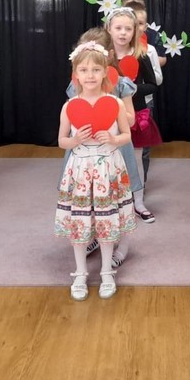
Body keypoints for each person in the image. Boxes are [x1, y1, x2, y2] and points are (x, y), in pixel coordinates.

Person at [54, 41, 136, 300]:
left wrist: (112, 139)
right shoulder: (70, 106)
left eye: (96, 70)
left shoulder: (115, 103)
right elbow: (61, 141)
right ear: (76, 75)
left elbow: (126, 135)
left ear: (105, 73)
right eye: (84, 70)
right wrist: (76, 140)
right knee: (80, 222)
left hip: (107, 168)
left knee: (106, 220)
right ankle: (80, 272)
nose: (90, 75)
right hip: (80, 168)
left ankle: (106, 271)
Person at [105, 6, 159, 223]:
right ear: (108, 29)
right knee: (110, 159)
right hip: (108, 118)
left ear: (135, 31)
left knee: (136, 159)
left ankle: (138, 202)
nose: (123, 33)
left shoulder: (140, 55)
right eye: (118, 28)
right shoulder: (102, 56)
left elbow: (152, 85)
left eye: (128, 29)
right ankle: (112, 201)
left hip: (133, 114)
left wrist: (130, 88)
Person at [125, 1, 163, 185]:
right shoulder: (109, 53)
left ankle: (141, 184)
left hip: (143, 104)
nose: (134, 28)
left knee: (142, 147)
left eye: (139, 24)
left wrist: (133, 88)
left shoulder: (148, 51)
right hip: (118, 108)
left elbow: (156, 80)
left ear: (145, 27)